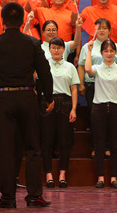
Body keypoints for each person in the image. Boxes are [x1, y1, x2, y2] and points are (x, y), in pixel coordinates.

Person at [0, 2, 54, 208]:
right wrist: (49, 97)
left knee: (6, 150)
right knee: (33, 148)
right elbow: (45, 72)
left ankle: (8, 198)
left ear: (2, 21)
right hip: (27, 97)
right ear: (21, 20)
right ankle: (34, 196)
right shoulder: (32, 43)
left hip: (3, 99)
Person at [84, 39, 117, 189]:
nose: (109, 54)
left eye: (111, 51)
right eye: (106, 51)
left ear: (115, 52)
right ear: (101, 53)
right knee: (99, 144)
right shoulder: (97, 68)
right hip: (99, 108)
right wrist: (89, 50)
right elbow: (87, 69)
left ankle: (114, 177)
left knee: (115, 145)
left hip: (116, 108)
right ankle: (101, 177)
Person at [41, 37, 80, 189]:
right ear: (49, 49)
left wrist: (74, 109)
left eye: (59, 47)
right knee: (47, 140)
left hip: (65, 103)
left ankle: (62, 175)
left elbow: (74, 89)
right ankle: (48, 175)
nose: (56, 50)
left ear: (64, 50)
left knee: (65, 141)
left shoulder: (70, 67)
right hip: (47, 102)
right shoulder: (43, 65)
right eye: (53, 47)